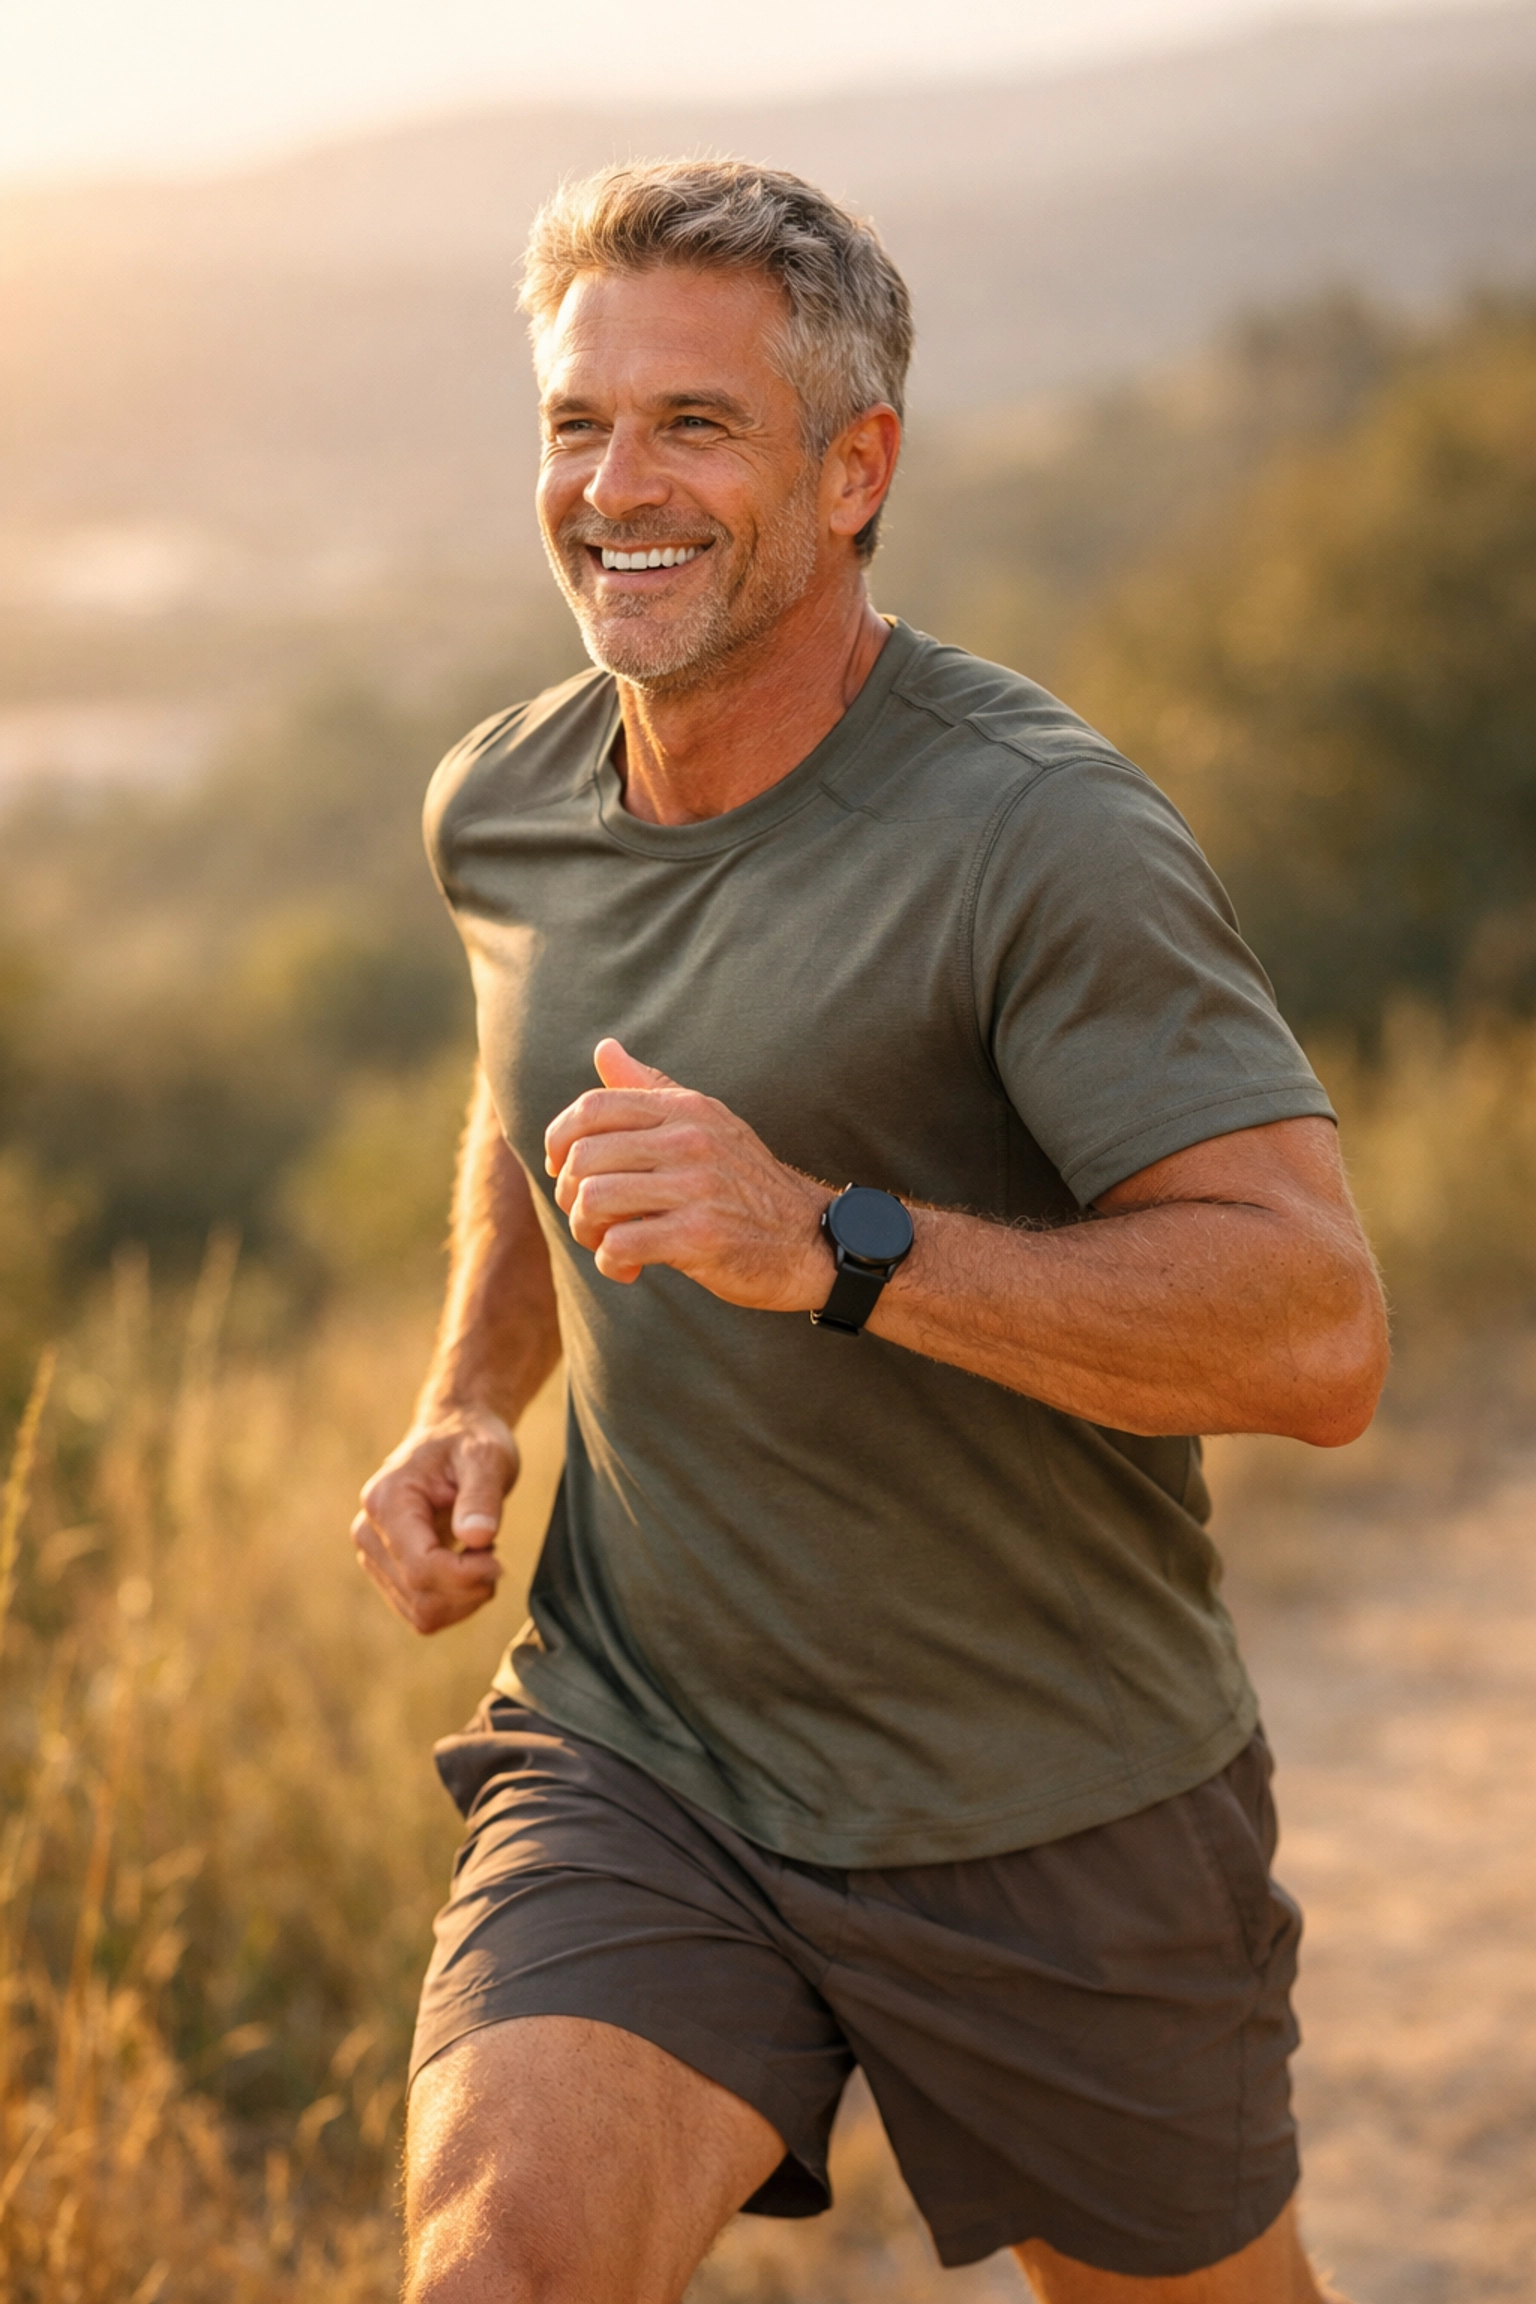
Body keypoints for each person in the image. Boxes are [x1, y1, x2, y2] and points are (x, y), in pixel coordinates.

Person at [351, 160, 1387, 2304]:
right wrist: (468, 1396)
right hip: (651, 1754)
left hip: (1053, 1800)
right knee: (495, 2273)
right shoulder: (507, 807)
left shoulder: (1040, 834)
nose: (612, 487)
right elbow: (528, 1094)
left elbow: (1317, 1330)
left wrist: (828, 1238)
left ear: (854, 471)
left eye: (692, 425)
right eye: (575, 423)